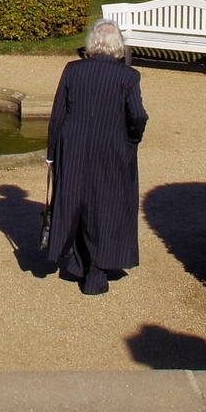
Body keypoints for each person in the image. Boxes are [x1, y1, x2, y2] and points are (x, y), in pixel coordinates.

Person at [44, 18, 148, 295]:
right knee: (105, 206)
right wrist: (132, 138)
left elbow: (58, 115)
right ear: (118, 47)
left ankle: (79, 263)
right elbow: (137, 115)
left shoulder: (73, 70)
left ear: (92, 44)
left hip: (74, 146)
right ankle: (95, 271)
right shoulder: (127, 76)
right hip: (110, 148)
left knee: (75, 202)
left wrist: (52, 153)